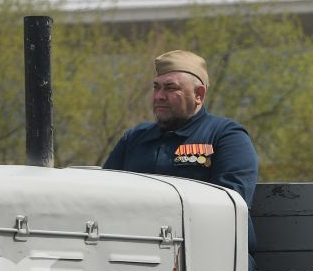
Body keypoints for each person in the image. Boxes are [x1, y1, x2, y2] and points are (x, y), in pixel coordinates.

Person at [104, 50, 259, 211]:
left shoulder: (226, 136)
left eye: (171, 88)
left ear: (198, 94)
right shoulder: (134, 139)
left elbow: (231, 205)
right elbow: (103, 194)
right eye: (156, 88)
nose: (159, 96)